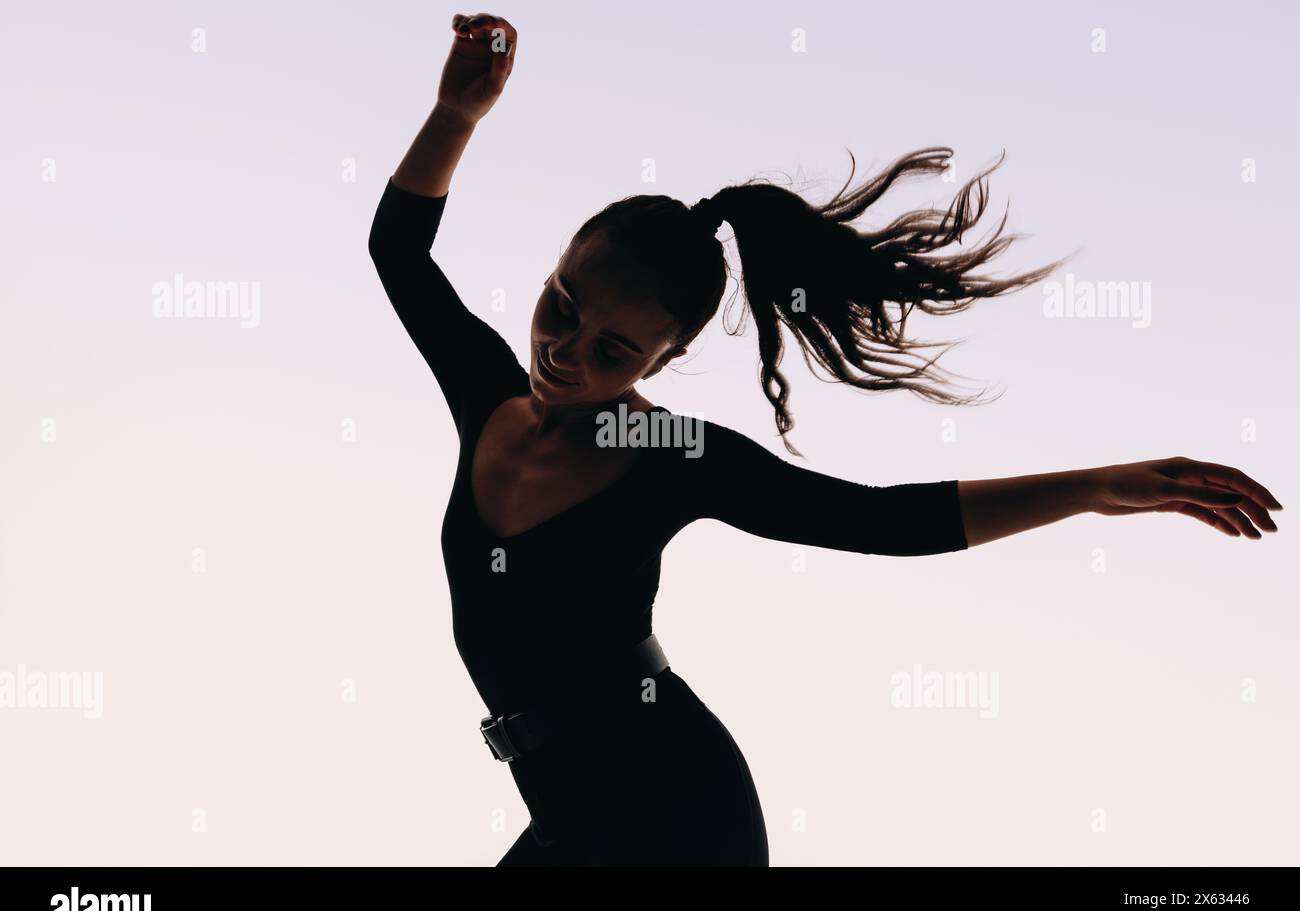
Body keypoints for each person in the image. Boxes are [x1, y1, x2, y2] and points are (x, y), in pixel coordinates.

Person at [367, 13, 1283, 867]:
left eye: (612, 349)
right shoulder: (486, 393)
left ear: (665, 355)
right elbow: (400, 254)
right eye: (560, 306)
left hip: (673, 809)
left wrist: (1094, 485)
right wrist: (457, 113)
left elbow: (883, 520)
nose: (562, 352)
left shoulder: (674, 458)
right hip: (567, 808)